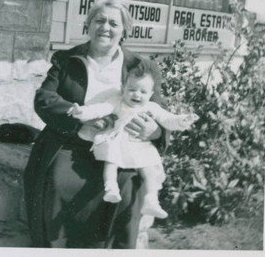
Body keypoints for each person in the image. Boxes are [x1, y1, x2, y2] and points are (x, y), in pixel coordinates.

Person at [23, 0, 170, 249]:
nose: (105, 27)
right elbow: (44, 99)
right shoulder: (67, 59)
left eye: (114, 23)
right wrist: (79, 122)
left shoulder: (140, 66)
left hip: (122, 147)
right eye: (99, 20)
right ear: (88, 25)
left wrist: (155, 131)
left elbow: (159, 110)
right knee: (58, 181)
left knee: (129, 187)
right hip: (72, 141)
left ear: (124, 31)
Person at [68, 63, 198, 219]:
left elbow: (167, 119)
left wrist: (183, 120)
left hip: (139, 144)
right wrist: (81, 112)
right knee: (111, 161)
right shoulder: (117, 102)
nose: (137, 95)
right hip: (118, 140)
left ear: (150, 94)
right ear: (123, 89)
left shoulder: (152, 107)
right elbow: (99, 109)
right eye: (132, 90)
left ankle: (151, 200)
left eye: (143, 92)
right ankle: (111, 188)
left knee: (149, 170)